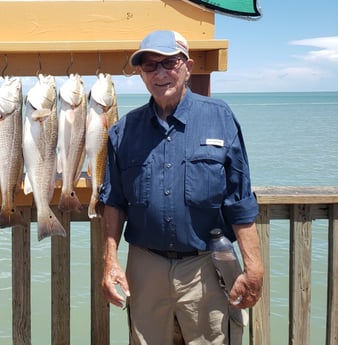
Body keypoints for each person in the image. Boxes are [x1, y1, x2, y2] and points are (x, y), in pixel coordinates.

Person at [100, 30, 264, 344]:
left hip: (206, 265)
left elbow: (239, 200)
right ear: (140, 73)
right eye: (150, 66)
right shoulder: (123, 131)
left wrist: (253, 267)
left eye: (170, 63)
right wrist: (110, 261)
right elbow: (114, 201)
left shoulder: (221, 118)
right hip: (144, 266)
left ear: (187, 66)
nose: (160, 73)